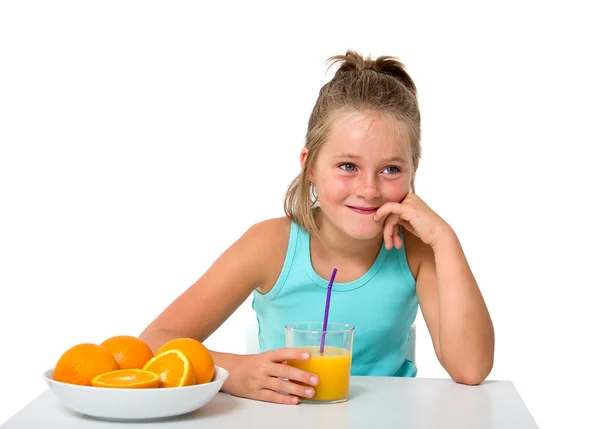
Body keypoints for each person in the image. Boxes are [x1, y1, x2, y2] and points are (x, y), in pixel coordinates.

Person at [139, 50, 495, 405]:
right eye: (347, 166)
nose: (369, 190)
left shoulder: (415, 252)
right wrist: (234, 373)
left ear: (413, 170)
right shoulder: (270, 246)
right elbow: (154, 340)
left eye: (390, 170)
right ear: (310, 166)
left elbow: (471, 368)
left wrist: (445, 240)